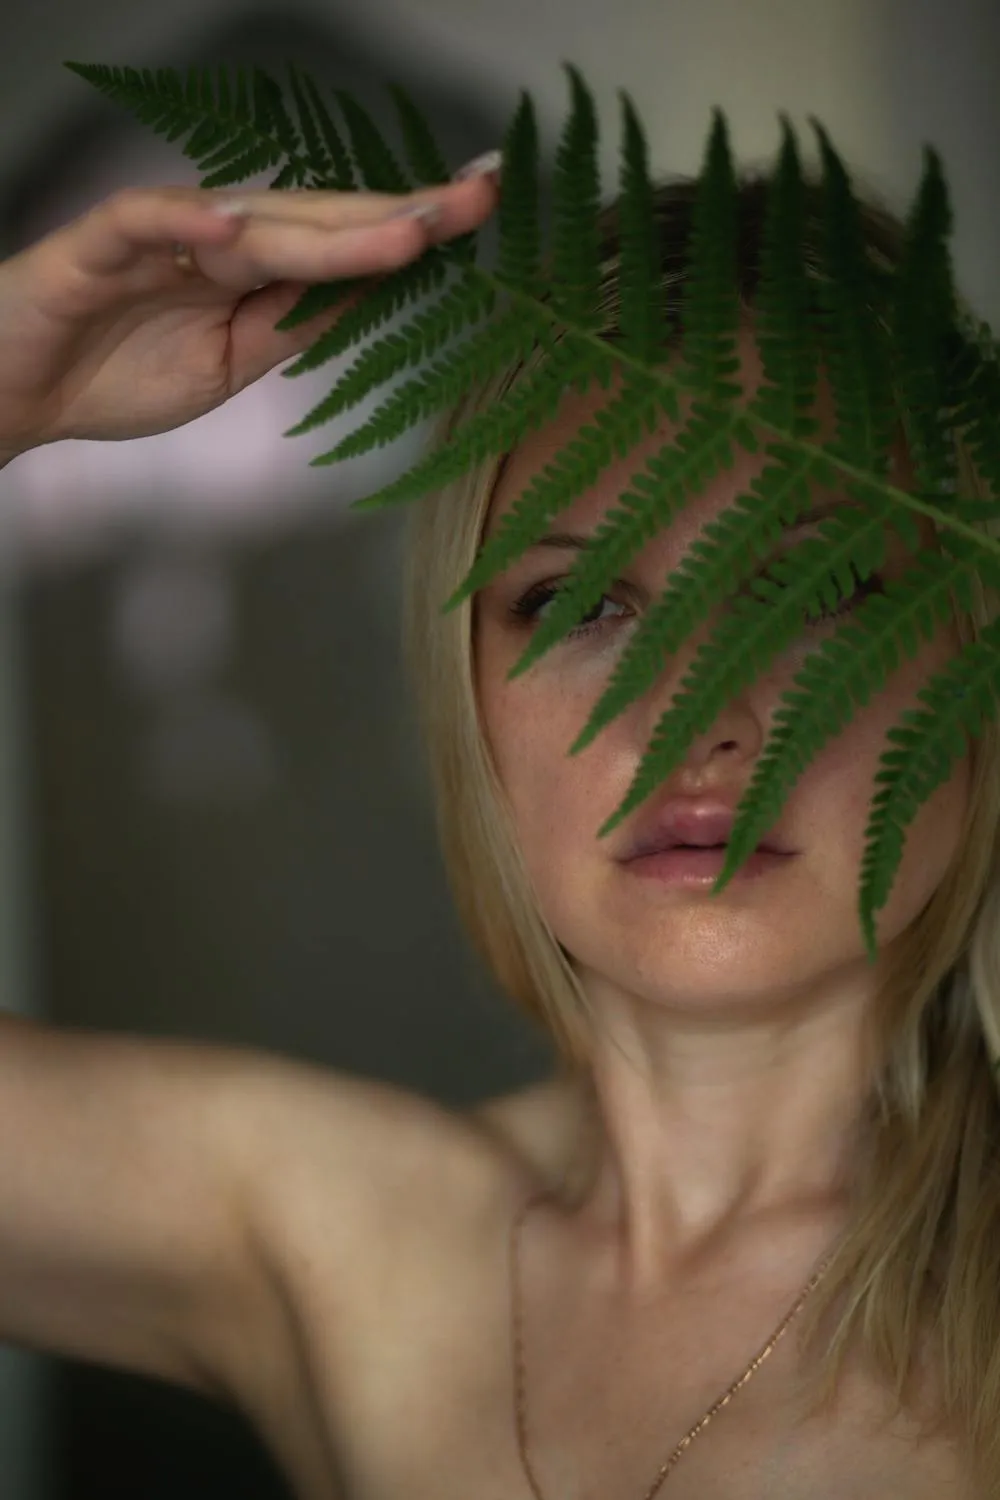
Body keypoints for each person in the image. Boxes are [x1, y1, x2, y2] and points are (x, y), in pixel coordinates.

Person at [0, 149, 994, 1499]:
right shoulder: (339, 1241)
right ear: (470, 697)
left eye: (812, 590)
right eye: (582, 607)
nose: (697, 712)